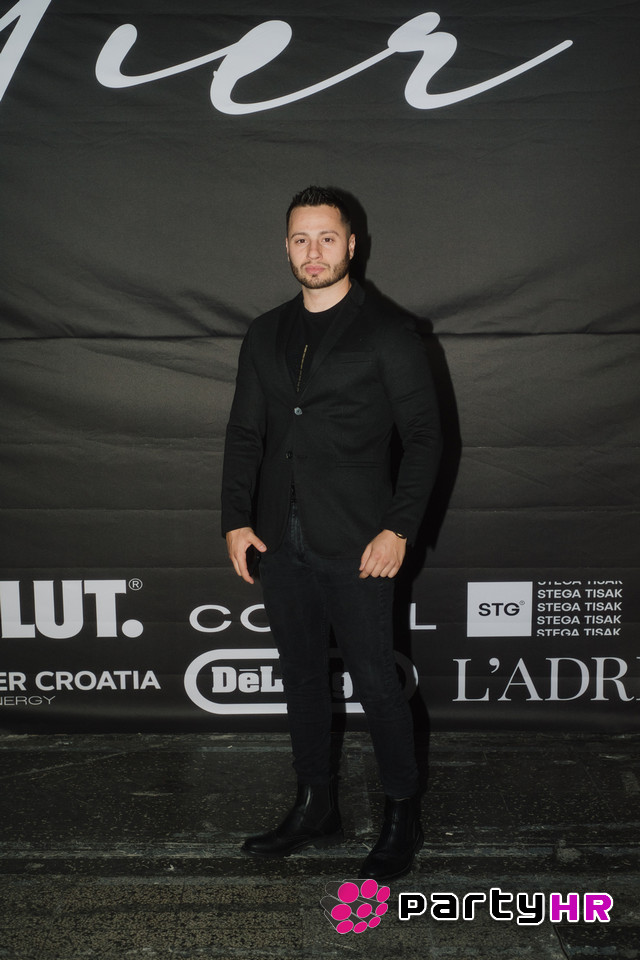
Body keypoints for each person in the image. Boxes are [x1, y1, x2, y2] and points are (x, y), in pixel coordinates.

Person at [221, 185, 441, 881]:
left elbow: (427, 438)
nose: (312, 251)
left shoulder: (389, 331)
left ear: (352, 244)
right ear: (285, 247)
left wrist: (398, 529)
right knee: (301, 678)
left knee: (377, 681)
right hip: (277, 540)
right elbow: (245, 433)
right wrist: (235, 519)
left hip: (359, 539)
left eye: (326, 237)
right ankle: (316, 805)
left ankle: (402, 813)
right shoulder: (265, 332)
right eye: (300, 239)